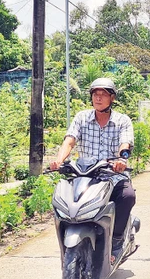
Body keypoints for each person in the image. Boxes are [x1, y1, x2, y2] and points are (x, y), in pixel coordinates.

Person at [49, 77, 136, 262]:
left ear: (112, 98)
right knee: (65, 201)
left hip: (112, 174)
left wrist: (122, 159)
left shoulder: (122, 120)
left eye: (103, 94)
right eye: (95, 94)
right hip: (84, 174)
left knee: (127, 196)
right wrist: (59, 160)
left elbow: (125, 143)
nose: (98, 98)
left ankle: (117, 239)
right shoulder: (82, 117)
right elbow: (69, 141)